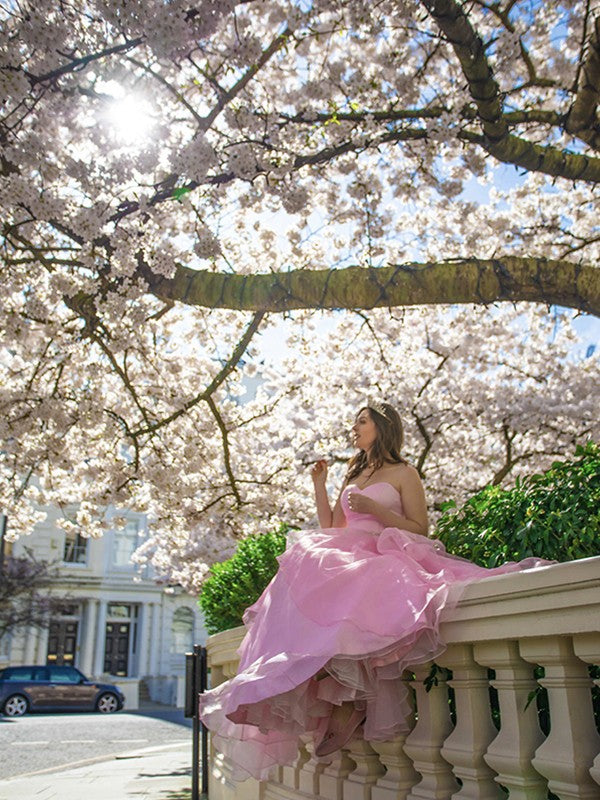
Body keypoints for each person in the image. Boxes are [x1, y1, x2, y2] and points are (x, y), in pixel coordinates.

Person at [198, 400, 551, 781]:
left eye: (362, 421)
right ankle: (304, 690)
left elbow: (419, 528)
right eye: (355, 421)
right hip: (346, 551)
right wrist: (320, 485)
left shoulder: (404, 472)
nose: (354, 427)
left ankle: (351, 702)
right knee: (305, 560)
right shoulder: (353, 474)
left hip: (382, 551)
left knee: (357, 593)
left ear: (382, 428)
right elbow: (332, 525)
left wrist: (374, 508)